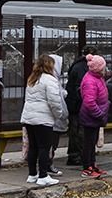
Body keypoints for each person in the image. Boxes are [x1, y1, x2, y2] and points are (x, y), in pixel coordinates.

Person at [19, 55, 65, 186]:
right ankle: (43, 175)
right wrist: (58, 114)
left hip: (29, 117)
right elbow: (54, 101)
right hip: (43, 118)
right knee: (44, 147)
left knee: (33, 147)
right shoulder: (50, 79)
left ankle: (32, 174)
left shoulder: (32, 79)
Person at [63, 45, 96, 168]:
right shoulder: (84, 68)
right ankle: (78, 156)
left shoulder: (77, 65)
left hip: (74, 103)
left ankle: (75, 155)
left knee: (75, 131)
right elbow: (82, 89)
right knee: (80, 132)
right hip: (79, 105)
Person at [78, 54, 110, 178]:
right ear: (98, 68)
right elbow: (89, 102)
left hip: (96, 116)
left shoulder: (97, 78)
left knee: (92, 142)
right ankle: (87, 167)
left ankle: (92, 164)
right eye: (103, 67)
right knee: (88, 143)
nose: (105, 69)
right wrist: (99, 113)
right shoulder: (90, 81)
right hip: (91, 116)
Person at [47, 54, 66, 177]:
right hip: (52, 119)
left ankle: (44, 166)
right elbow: (55, 101)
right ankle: (48, 166)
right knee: (50, 145)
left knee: (49, 145)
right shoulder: (52, 80)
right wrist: (61, 114)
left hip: (46, 118)